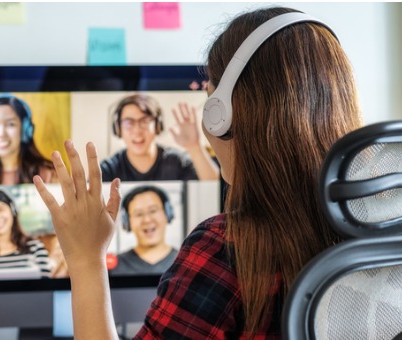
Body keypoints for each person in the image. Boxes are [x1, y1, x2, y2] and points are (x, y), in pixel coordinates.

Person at [33, 7, 363, 339]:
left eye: (209, 100)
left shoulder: (225, 251)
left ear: (222, 116)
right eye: (128, 122)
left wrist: (87, 258)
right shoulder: (379, 226)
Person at [100, 93, 220, 182]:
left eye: (145, 121)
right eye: (129, 123)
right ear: (118, 128)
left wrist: (194, 146)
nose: (137, 130)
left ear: (158, 125)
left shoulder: (176, 161)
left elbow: (212, 183)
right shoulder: (108, 169)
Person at [110, 185, 178, 275]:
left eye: (153, 211)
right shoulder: (114, 267)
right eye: (138, 214)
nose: (147, 220)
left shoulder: (187, 262)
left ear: (167, 213)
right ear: (127, 222)